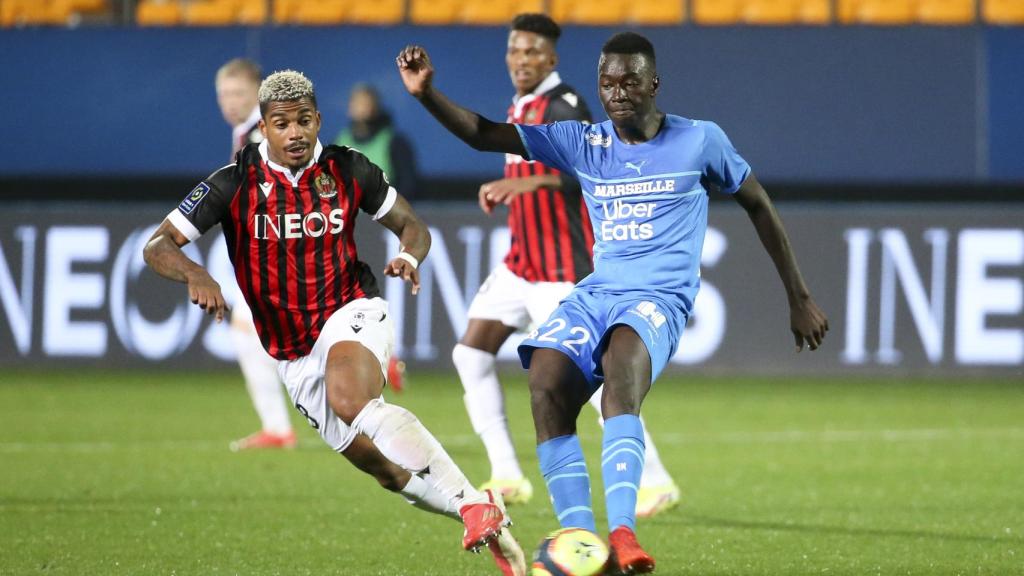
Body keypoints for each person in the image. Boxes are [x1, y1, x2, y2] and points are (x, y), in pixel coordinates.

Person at [397, 32, 829, 574]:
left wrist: (799, 297)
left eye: (629, 81)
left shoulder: (700, 140)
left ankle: (623, 535)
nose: (617, 92)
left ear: (654, 84)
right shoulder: (583, 140)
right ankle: (581, 537)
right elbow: (486, 135)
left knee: (619, 375)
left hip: (659, 299)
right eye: (607, 82)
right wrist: (426, 95)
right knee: (546, 381)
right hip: (596, 291)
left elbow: (759, 205)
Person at [143, 70, 526, 575]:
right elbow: (158, 245)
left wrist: (410, 257)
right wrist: (196, 274)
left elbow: (412, 226)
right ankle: (475, 508)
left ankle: (474, 506)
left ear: (319, 120)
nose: (295, 133)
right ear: (264, 127)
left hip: (351, 307)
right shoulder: (233, 182)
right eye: (282, 124)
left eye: (304, 120)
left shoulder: (349, 169)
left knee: (352, 400)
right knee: (385, 471)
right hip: (292, 351)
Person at [451, 13, 680, 518]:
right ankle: (508, 473)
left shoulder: (566, 103)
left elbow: (590, 170)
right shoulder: (522, 105)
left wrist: (524, 183)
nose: (521, 60)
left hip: (561, 270)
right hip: (520, 265)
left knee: (599, 385)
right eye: (514, 50)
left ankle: (656, 480)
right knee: (469, 354)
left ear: (551, 58)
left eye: (531, 52)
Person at [214, 58, 296, 450]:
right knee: (258, 334)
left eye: (238, 93)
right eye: (225, 94)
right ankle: (277, 428)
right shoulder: (246, 132)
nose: (230, 101)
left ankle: (279, 429)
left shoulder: (263, 134)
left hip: (282, 250)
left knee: (251, 332)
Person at [334, 83, 419, 200]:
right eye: (358, 104)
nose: (363, 108)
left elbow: (408, 185)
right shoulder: (339, 143)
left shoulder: (395, 143)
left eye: (367, 104)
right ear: (349, 109)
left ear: (376, 107)